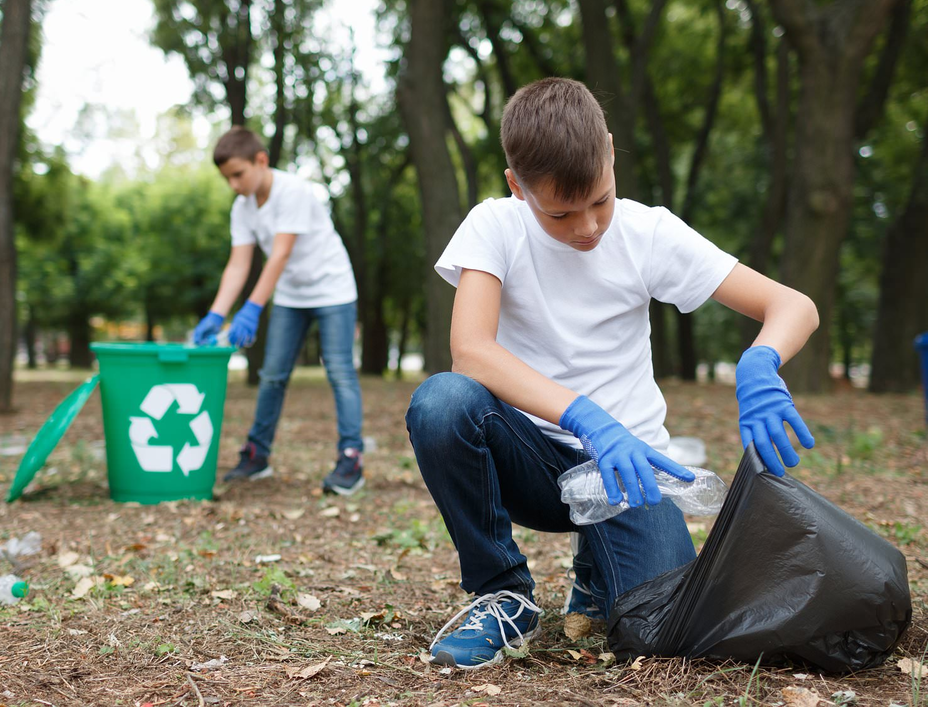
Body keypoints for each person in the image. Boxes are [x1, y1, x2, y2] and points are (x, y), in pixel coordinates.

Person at [405, 78, 818, 670]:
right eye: (560, 212)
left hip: (626, 472)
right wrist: (585, 416)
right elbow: (471, 352)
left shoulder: (648, 233)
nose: (588, 227)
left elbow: (793, 305)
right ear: (516, 187)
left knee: (659, 634)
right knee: (442, 402)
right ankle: (502, 593)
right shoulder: (493, 225)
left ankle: (596, 575)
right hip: (530, 459)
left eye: (601, 199)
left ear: (610, 151)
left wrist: (760, 360)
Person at [193, 126, 366, 495]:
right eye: (227, 179)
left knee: (339, 371)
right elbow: (238, 265)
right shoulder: (242, 208)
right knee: (272, 374)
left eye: (238, 175)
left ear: (261, 160)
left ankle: (351, 458)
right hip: (291, 294)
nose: (234, 185)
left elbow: (280, 254)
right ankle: (257, 455)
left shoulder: (293, 192)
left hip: (332, 288)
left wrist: (252, 308)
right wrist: (215, 314)